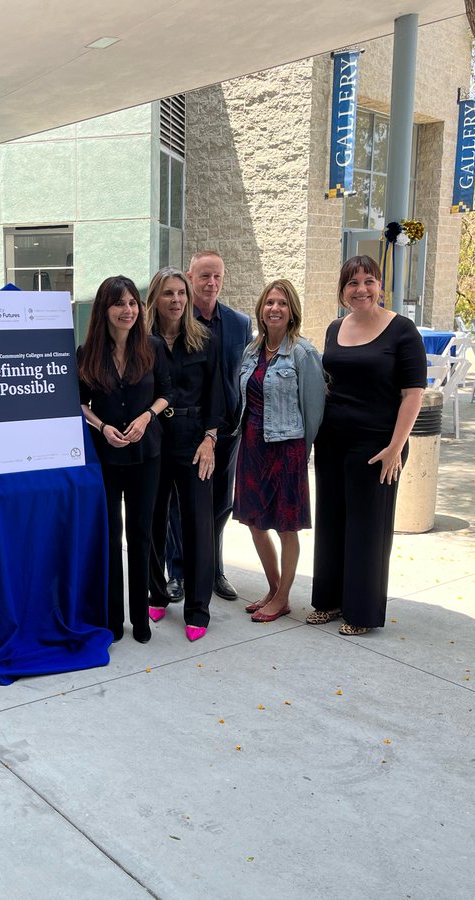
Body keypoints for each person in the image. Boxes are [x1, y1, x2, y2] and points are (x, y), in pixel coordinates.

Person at [310, 256, 426, 635]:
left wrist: (396, 447)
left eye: (368, 281)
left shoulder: (402, 331)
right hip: (332, 440)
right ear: (342, 291)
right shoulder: (334, 328)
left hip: (377, 445)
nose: (361, 289)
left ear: (380, 286)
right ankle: (328, 602)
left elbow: (413, 394)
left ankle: (361, 613)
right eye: (352, 283)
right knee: (331, 521)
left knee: (367, 527)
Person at [77, 275, 171, 643]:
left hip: (146, 455)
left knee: (142, 533)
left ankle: (141, 619)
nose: (128, 310)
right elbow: (78, 402)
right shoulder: (87, 353)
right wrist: (101, 427)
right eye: (120, 304)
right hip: (105, 456)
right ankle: (114, 619)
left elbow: (168, 392)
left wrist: (147, 416)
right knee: (110, 536)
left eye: (133, 303)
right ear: (105, 309)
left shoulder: (153, 347)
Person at [232, 279, 324, 623]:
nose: (275, 308)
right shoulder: (251, 351)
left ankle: (283, 596)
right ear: (261, 308)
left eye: (282, 303)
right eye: (270, 302)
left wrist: (302, 451)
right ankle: (273, 589)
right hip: (252, 445)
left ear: (292, 312)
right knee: (255, 523)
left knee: (286, 527)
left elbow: (313, 409)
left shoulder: (303, 352)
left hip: (287, 450)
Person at [144, 268, 221, 642]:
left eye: (181, 294)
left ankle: (198, 608)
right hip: (156, 440)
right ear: (155, 299)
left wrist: (210, 438)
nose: (176, 300)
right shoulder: (142, 342)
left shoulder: (205, 339)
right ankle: (156, 592)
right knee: (154, 520)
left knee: (197, 525)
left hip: (194, 440)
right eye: (168, 293)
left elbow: (217, 395)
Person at [170, 250, 251, 602]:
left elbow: (243, 374)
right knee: (179, 505)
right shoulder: (175, 319)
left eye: (217, 276)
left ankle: (214, 569)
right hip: (185, 431)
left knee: (220, 504)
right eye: (204, 275)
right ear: (190, 277)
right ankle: (177, 573)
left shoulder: (239, 323)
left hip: (227, 431)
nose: (211, 283)